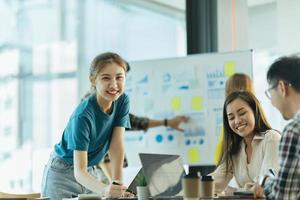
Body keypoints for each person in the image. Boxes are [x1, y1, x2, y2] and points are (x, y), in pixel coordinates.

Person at [41, 52, 130, 199]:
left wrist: (117, 184)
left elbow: (116, 146)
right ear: (93, 80)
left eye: (119, 77)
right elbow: (79, 171)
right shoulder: (83, 115)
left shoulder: (122, 101)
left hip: (89, 170)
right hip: (63, 172)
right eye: (106, 78)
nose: (114, 85)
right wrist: (105, 189)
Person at [95, 61, 189, 183]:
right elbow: (101, 152)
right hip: (102, 173)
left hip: (112, 171)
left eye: (121, 78)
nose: (118, 84)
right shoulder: (96, 103)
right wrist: (116, 184)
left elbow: (134, 122)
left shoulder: (114, 102)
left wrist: (167, 122)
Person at [212, 91, 281, 195]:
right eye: (231, 118)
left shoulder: (271, 138)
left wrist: (234, 191)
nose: (237, 121)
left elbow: (264, 186)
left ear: (254, 111)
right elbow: (215, 181)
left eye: (242, 113)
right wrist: (190, 183)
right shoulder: (234, 149)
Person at [254, 56, 300, 199]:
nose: (272, 102)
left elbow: (283, 196)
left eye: (270, 92)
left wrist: (266, 182)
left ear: (282, 88)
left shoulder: (294, 130)